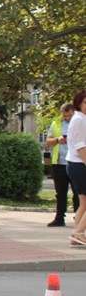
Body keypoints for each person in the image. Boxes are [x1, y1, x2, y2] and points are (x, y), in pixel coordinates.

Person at [47, 104, 79, 227]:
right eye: (65, 116)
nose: (67, 118)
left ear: (74, 112)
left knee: (78, 192)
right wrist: (57, 140)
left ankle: (79, 218)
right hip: (59, 163)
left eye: (70, 115)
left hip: (76, 162)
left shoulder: (80, 122)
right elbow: (48, 141)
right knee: (60, 193)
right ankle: (59, 218)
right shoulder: (56, 123)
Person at [65, 91, 86, 246]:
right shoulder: (79, 119)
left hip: (76, 165)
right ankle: (78, 232)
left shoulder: (81, 118)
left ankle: (76, 237)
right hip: (79, 165)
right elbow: (80, 146)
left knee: (83, 203)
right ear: (79, 104)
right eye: (85, 103)